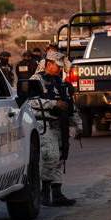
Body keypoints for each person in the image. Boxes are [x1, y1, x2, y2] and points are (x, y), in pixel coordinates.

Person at [27, 70, 77, 207]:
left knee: (61, 157)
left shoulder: (59, 81)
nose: (60, 68)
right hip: (45, 124)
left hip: (60, 124)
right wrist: (53, 104)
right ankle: (44, 192)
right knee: (51, 157)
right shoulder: (36, 79)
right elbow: (31, 102)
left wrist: (76, 124)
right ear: (49, 63)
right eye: (57, 65)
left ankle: (57, 194)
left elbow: (69, 103)